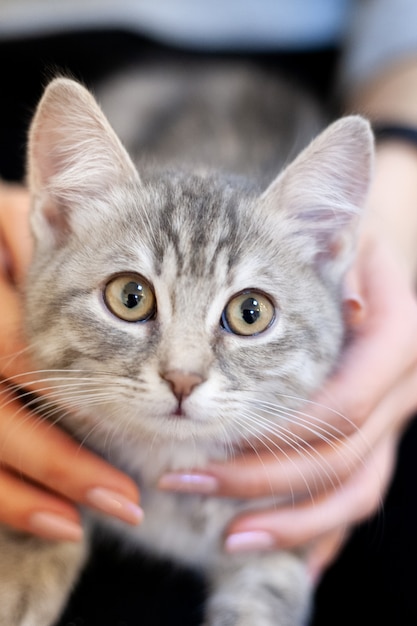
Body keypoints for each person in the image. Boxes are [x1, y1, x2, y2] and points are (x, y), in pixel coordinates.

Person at [1, 0, 417, 623]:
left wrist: (403, 191)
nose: (184, 370)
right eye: (132, 298)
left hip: (361, 108)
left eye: (248, 313)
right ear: (58, 219)